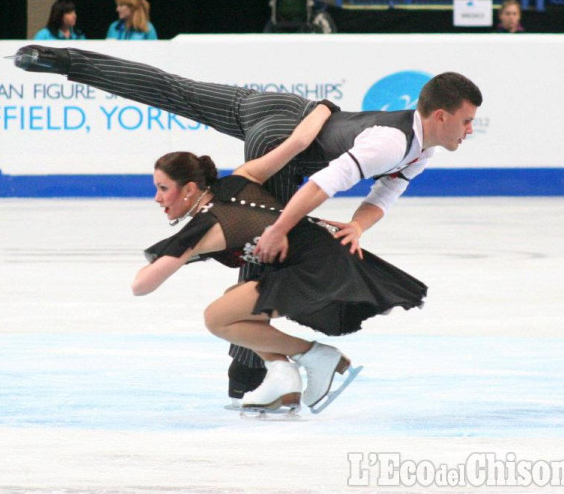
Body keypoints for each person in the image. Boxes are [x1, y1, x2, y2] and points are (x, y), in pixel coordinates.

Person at [12, 45, 482, 397]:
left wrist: (358, 226)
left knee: (177, 90)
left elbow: (386, 193)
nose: (470, 129)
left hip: (283, 110)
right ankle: (252, 374)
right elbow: (321, 185)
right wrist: (277, 229)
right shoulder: (391, 143)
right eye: (466, 121)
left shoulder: (421, 148)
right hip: (284, 134)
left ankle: (64, 59)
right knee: (263, 247)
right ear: (440, 115)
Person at [132, 102, 427, 411]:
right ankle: (283, 374)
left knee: (216, 318)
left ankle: (317, 356)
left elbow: (142, 287)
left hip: (318, 267)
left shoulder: (200, 229)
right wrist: (324, 107)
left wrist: (170, 256)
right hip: (328, 252)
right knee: (235, 299)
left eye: (163, 188)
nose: (157, 198)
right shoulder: (241, 178)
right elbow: (298, 142)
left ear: (189, 189)